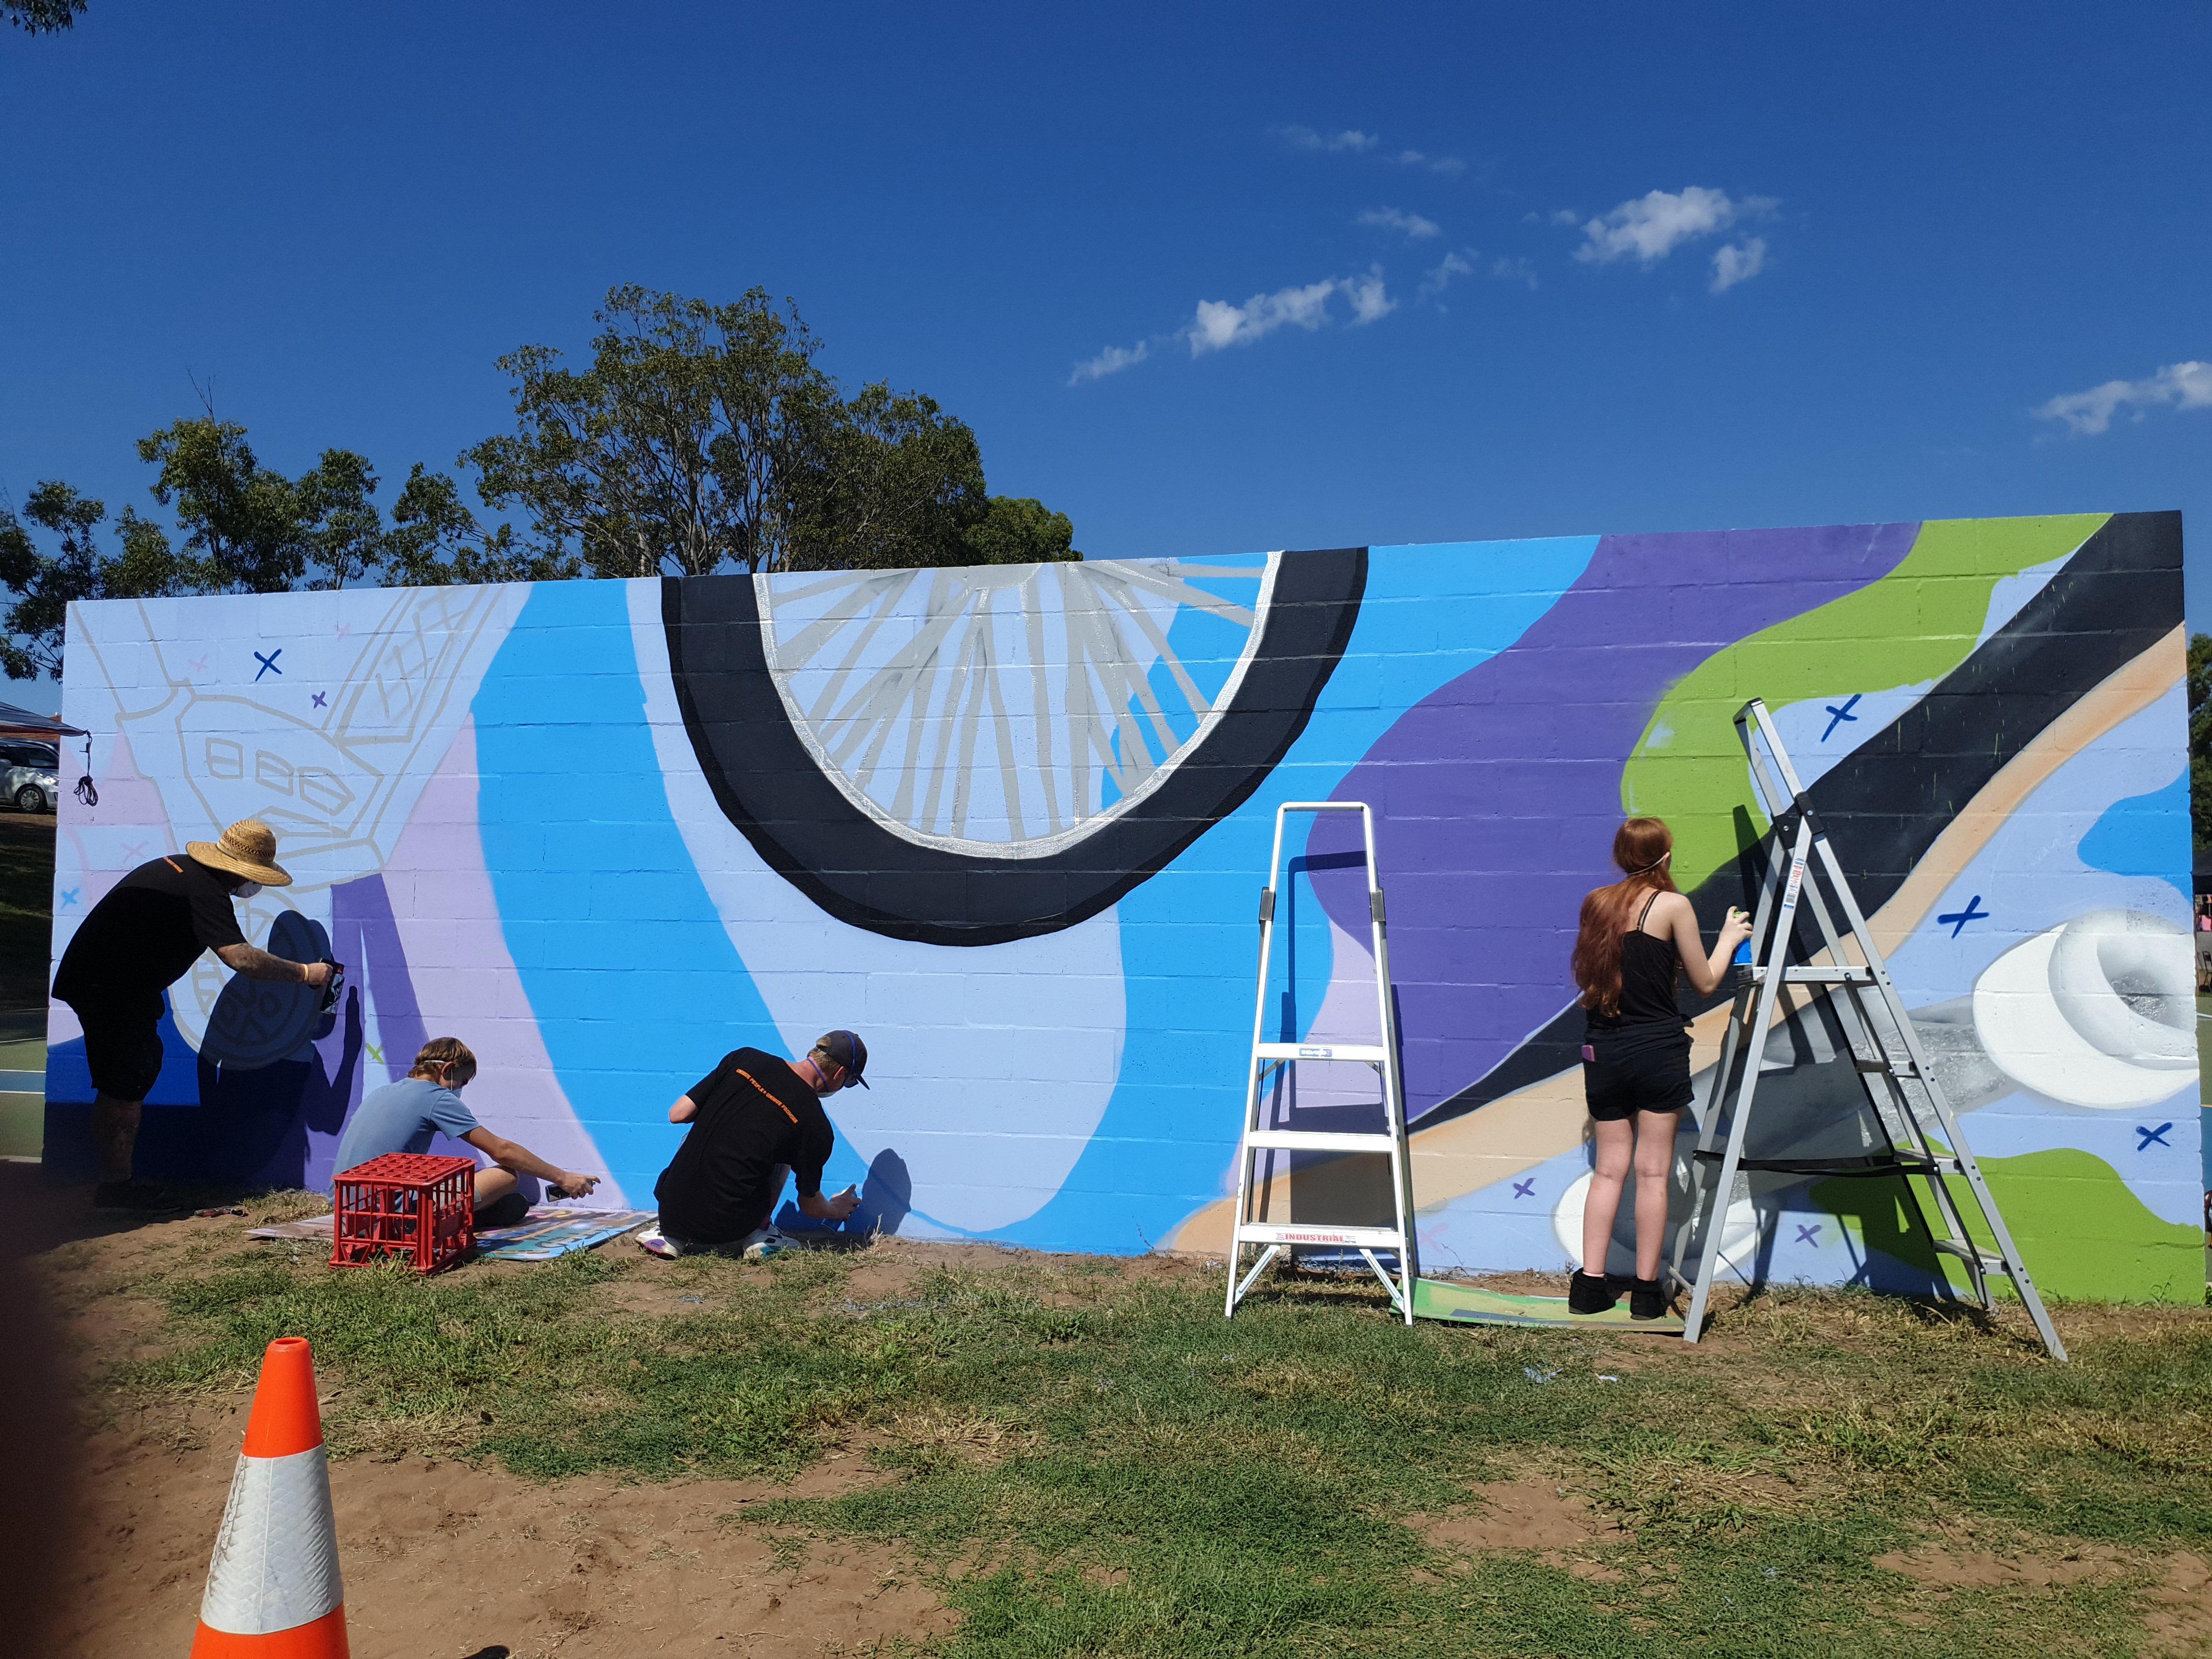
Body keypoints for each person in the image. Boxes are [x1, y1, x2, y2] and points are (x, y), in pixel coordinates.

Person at [50, 820, 337, 1210]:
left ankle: (115, 1184)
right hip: (111, 988)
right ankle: (116, 1189)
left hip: (111, 984)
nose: (252, 886)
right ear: (237, 870)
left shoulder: (181, 871)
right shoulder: (205, 889)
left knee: (134, 1072)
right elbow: (240, 957)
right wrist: (305, 973)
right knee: (125, 1082)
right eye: (254, 877)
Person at [1567, 816, 1750, 1319]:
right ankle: (1647, 1294)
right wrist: (1729, 938)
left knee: (1608, 1171)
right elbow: (1706, 982)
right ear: (1665, 856)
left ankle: (1589, 1287)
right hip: (1657, 1049)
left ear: (1621, 857)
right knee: (1652, 1174)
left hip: (1603, 1047)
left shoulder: (1596, 903)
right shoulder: (1673, 906)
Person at [637, 1030, 867, 1260]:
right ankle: (759, 1234)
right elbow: (810, 1205)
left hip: (672, 1213)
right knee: (783, 1154)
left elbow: (678, 1114)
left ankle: (669, 1237)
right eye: (849, 1082)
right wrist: (835, 1209)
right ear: (840, 1073)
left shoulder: (744, 1059)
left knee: (699, 1133)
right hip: (731, 1228)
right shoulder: (816, 1126)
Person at [331, 1037, 600, 1226]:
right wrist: (563, 1177)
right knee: (505, 1177)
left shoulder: (383, 1092)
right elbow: (502, 1151)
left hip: (345, 1211)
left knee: (496, 1196)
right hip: (387, 1216)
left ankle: (459, 1219)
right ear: (447, 1070)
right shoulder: (436, 1097)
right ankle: (448, 1223)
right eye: (461, 1082)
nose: (459, 1090)